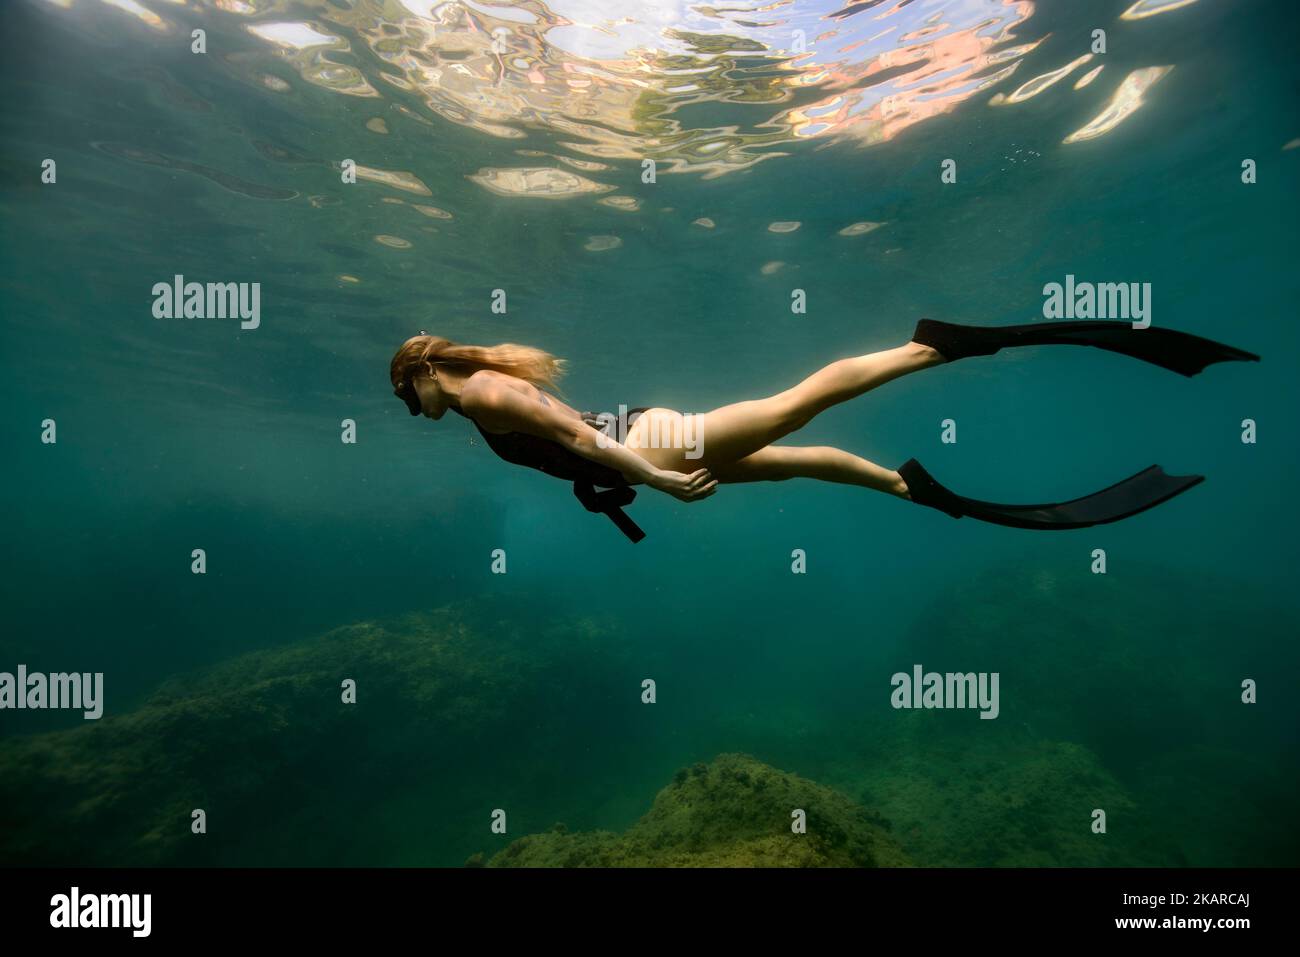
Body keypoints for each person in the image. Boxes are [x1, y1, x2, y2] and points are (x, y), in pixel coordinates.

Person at [390, 319, 1258, 539]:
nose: (417, 414)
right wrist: (613, 481)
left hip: (643, 445)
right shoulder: (481, 396)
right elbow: (570, 447)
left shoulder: (485, 395)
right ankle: (906, 486)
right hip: (636, 441)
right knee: (800, 455)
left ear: (425, 375)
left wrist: (647, 479)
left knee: (797, 404)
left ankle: (935, 349)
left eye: (410, 397)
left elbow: (574, 436)